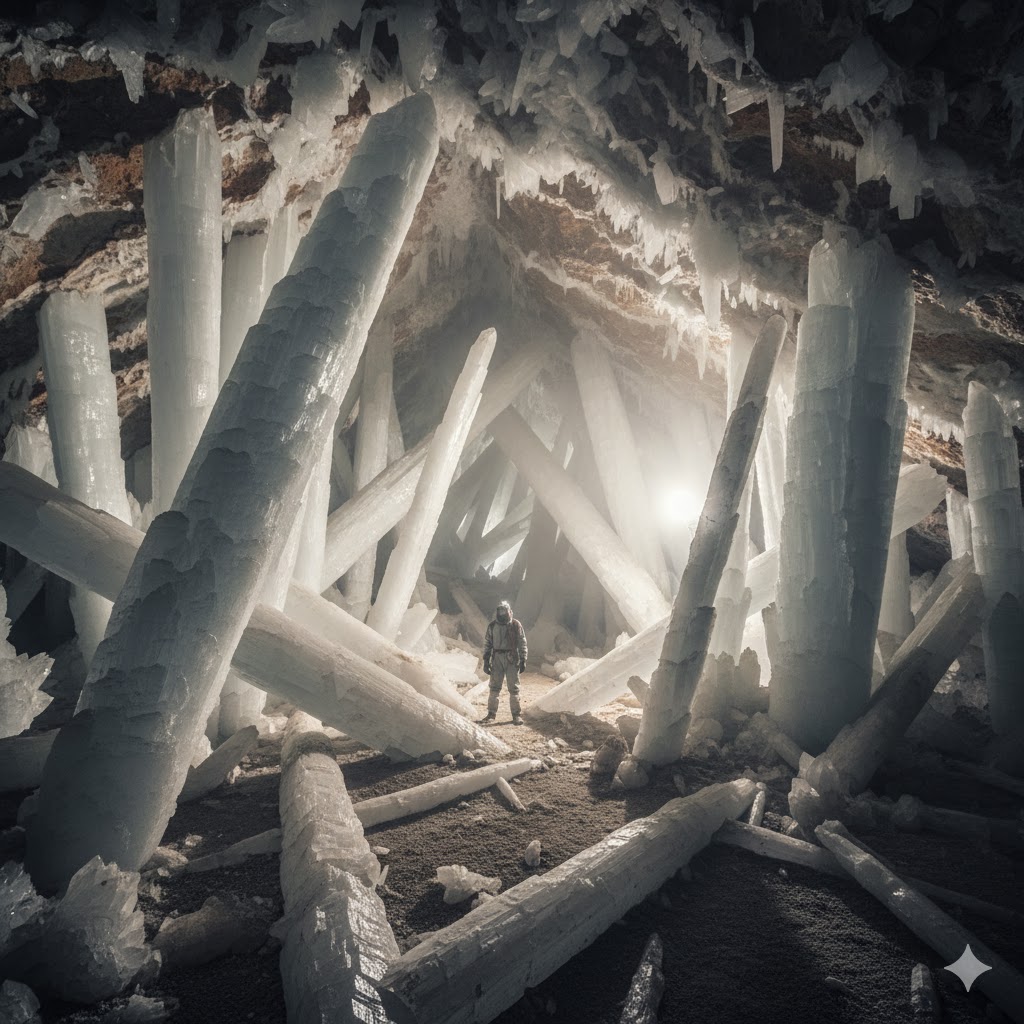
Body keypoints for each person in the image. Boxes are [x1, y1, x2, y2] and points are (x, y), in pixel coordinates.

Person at [480, 600, 528, 725]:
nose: (501, 614)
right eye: (499, 611)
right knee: (494, 687)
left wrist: (523, 659)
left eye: (504, 611)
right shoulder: (492, 626)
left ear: (508, 611)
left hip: (512, 657)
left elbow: (522, 642)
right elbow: (487, 643)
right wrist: (486, 660)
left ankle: (516, 715)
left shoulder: (516, 625)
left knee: (514, 688)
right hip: (497, 658)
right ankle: (491, 714)